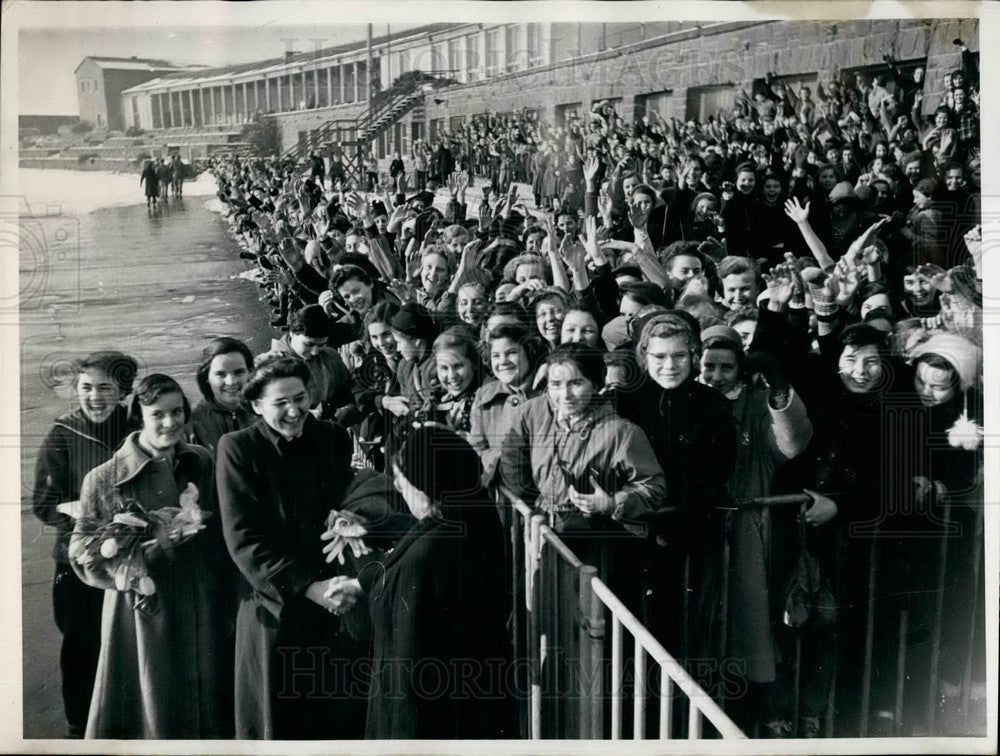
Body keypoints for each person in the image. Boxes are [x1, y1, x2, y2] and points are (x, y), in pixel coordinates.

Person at [324, 425, 516, 738]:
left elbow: (410, 668)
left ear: (429, 485)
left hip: (424, 722)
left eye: (405, 479)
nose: (398, 485)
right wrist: (361, 582)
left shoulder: (432, 554)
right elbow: (411, 540)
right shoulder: (470, 515)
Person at [70, 374, 233, 738]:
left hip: (201, 603)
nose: (170, 422)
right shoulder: (104, 479)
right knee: (152, 704)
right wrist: (144, 556)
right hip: (143, 616)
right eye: (157, 414)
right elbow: (83, 557)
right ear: (138, 418)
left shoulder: (201, 462)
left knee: (207, 706)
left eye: (177, 412)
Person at [216, 355, 368, 739]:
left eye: (300, 398)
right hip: (277, 604)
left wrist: (353, 527)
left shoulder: (331, 435)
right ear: (256, 406)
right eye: (280, 403)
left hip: (335, 599)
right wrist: (309, 588)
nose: (294, 410)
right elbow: (245, 539)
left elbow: (349, 501)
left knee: (339, 713)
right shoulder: (238, 448)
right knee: (283, 720)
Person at [31, 351, 138, 738]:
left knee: (132, 641)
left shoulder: (140, 427)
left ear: (124, 391)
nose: (94, 397)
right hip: (80, 558)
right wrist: (81, 513)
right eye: (86, 388)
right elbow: (42, 503)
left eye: (105, 388)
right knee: (81, 644)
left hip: (135, 554)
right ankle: (80, 727)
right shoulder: (64, 432)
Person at [188, 337, 256, 456]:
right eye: (221, 374)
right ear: (206, 378)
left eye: (238, 372)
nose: (231, 382)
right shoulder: (193, 423)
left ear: (250, 373)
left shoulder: (264, 412)